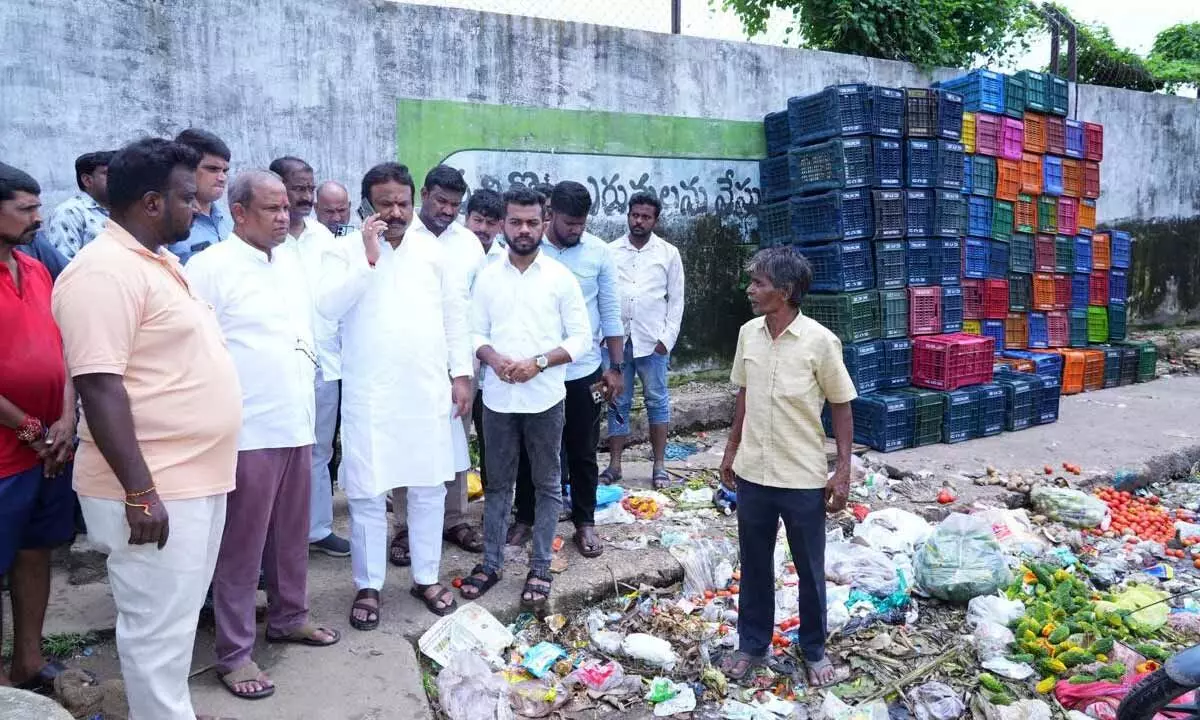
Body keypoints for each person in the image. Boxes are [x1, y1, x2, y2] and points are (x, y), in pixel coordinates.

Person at [51, 138, 243, 720]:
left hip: (194, 478)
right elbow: (99, 386)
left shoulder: (157, 263)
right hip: (152, 485)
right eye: (189, 197)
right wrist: (140, 491)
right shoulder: (103, 273)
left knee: (176, 621)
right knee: (156, 629)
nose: (200, 208)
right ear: (153, 202)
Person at [185, 170, 341, 701]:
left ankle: (289, 617)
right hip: (246, 430)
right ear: (239, 211)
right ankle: (234, 652)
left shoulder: (290, 261)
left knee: (291, 537)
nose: (284, 217)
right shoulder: (209, 268)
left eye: (287, 209)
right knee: (241, 548)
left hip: (295, 422)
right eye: (272, 209)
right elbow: (194, 354)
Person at [319, 162, 473, 625]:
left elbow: (455, 315)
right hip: (371, 394)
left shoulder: (434, 251)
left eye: (403, 202)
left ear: (414, 201)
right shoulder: (344, 250)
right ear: (368, 204)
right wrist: (368, 258)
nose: (396, 211)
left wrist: (461, 373)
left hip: (427, 390)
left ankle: (426, 577)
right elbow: (327, 308)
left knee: (428, 486)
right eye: (385, 203)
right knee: (367, 492)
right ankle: (369, 586)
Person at [717, 246, 856, 689]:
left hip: (802, 476)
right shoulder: (748, 335)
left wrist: (843, 470)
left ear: (787, 291)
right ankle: (752, 644)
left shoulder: (820, 341)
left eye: (759, 283)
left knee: (810, 571)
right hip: (754, 471)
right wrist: (730, 449)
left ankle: (814, 648)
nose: (750, 290)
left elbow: (841, 404)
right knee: (754, 565)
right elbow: (743, 395)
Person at [459, 187, 590, 610]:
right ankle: (492, 563)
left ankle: (539, 567)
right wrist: (493, 359)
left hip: (545, 398)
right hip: (497, 399)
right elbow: (473, 332)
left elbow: (581, 338)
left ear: (544, 220)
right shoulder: (487, 275)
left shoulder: (559, 278)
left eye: (532, 222)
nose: (524, 230)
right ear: (503, 224)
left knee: (548, 484)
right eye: (515, 222)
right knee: (497, 483)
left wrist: (539, 362)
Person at [511, 181, 623, 558]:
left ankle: (585, 522)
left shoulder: (599, 254)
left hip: (583, 371)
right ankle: (525, 518)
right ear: (549, 214)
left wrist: (616, 368)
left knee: (583, 450)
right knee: (533, 450)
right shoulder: (528, 250)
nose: (576, 229)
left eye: (581, 223)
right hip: (536, 373)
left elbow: (610, 313)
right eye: (568, 222)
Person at [0, 163, 77, 694]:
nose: (38, 217)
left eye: (37, 205)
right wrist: (28, 428)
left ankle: (28, 660)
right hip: (9, 452)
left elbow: (65, 348)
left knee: (35, 553)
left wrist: (68, 417)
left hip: (50, 446)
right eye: (25, 208)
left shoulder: (36, 268)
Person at [388, 165, 484, 567]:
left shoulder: (469, 244)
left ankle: (454, 519)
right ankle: (406, 526)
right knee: (410, 442)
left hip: (458, 361)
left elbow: (474, 306)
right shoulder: (400, 236)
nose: (446, 210)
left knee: (455, 442)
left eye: (454, 204)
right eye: (440, 201)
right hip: (411, 360)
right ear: (424, 194)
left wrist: (465, 366)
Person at [270, 157, 350, 558]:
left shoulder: (324, 239)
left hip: (325, 363)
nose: (304, 196)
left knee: (321, 449)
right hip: (278, 367)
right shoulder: (263, 241)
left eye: (308, 188)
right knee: (277, 452)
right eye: (296, 188)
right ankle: (277, 536)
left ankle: (317, 530)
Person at [603, 191, 685, 489]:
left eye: (645, 217)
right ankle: (614, 465)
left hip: (653, 342)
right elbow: (604, 296)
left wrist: (667, 339)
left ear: (655, 220)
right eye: (634, 215)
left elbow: (676, 300)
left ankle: (659, 465)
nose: (638, 221)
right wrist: (604, 336)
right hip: (617, 342)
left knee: (657, 400)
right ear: (628, 215)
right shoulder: (610, 251)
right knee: (617, 401)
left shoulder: (668, 253)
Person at [168, 128, 232, 263]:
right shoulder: (167, 225)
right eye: (212, 169)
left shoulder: (231, 222)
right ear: (186, 169)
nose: (222, 178)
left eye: (225, 171)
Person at [44, 150, 115, 260]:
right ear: (87, 180)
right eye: (108, 173)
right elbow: (64, 265)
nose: (117, 178)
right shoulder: (69, 212)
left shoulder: (124, 209)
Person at [464, 187, 504, 261]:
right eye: (478, 220)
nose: (483, 228)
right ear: (467, 218)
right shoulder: (449, 249)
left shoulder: (505, 261)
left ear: (501, 227)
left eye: (491, 223)